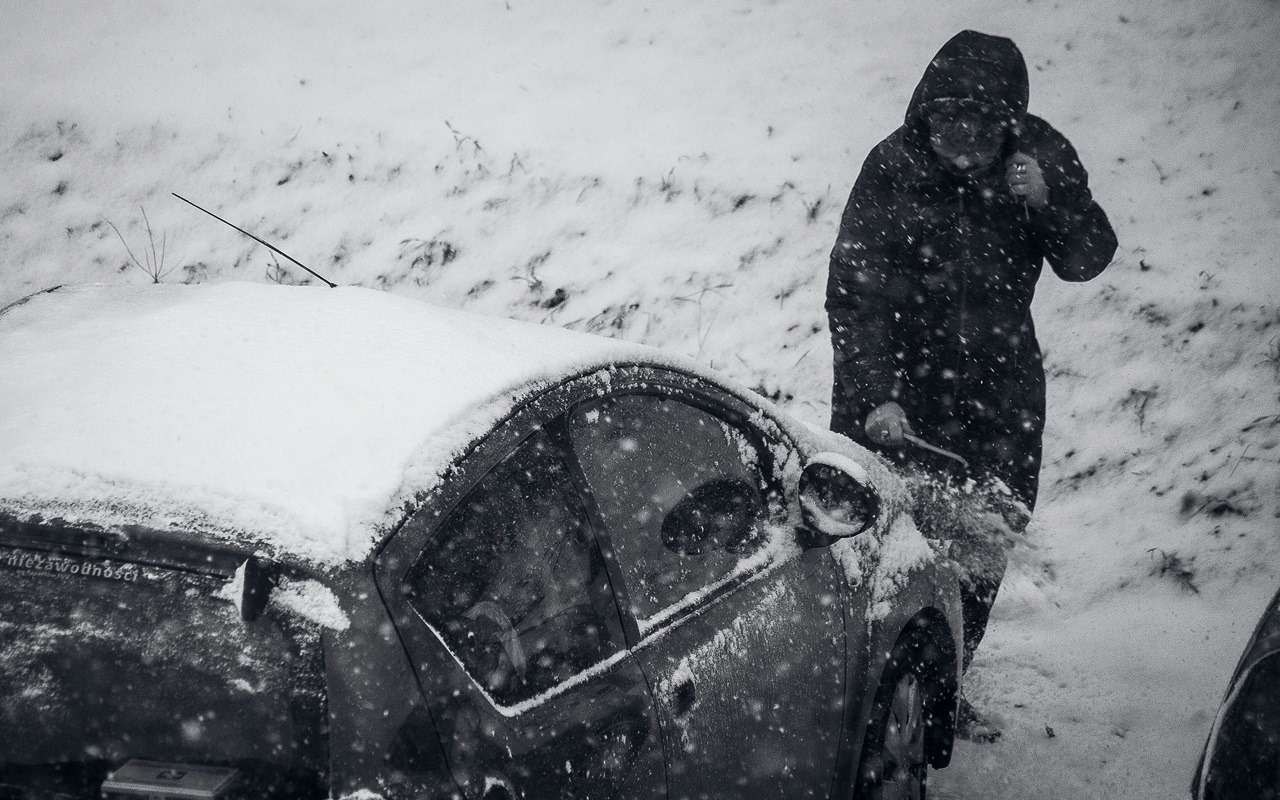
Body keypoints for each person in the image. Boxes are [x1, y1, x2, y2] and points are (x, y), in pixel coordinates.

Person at [825, 30, 1117, 734]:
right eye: (946, 117)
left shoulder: (1037, 158)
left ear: (1006, 122)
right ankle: (854, 689)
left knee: (980, 546)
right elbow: (855, 291)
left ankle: (941, 694)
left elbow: (1087, 259)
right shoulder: (892, 167)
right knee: (878, 544)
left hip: (999, 395)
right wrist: (875, 394)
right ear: (924, 113)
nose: (960, 136)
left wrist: (1051, 200)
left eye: (978, 122)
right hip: (899, 390)